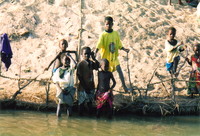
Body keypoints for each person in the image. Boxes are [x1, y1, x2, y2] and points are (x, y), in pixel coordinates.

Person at [95, 16, 130, 92]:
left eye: (109, 24)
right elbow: (99, 44)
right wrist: (95, 51)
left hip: (114, 57)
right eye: (106, 24)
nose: (108, 25)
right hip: (106, 59)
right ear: (104, 24)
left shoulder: (115, 34)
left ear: (112, 24)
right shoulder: (103, 35)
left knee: (119, 71)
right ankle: (102, 89)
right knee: (105, 74)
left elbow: (119, 43)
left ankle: (125, 87)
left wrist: (124, 49)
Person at [77, 47, 99, 116]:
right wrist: (85, 88)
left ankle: (90, 117)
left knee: (90, 103)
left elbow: (97, 66)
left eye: (88, 54)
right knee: (81, 104)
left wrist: (94, 58)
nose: (87, 55)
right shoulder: (81, 64)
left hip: (90, 87)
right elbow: (79, 77)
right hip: (83, 88)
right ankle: (80, 117)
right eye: (85, 54)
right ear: (82, 54)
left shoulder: (91, 63)